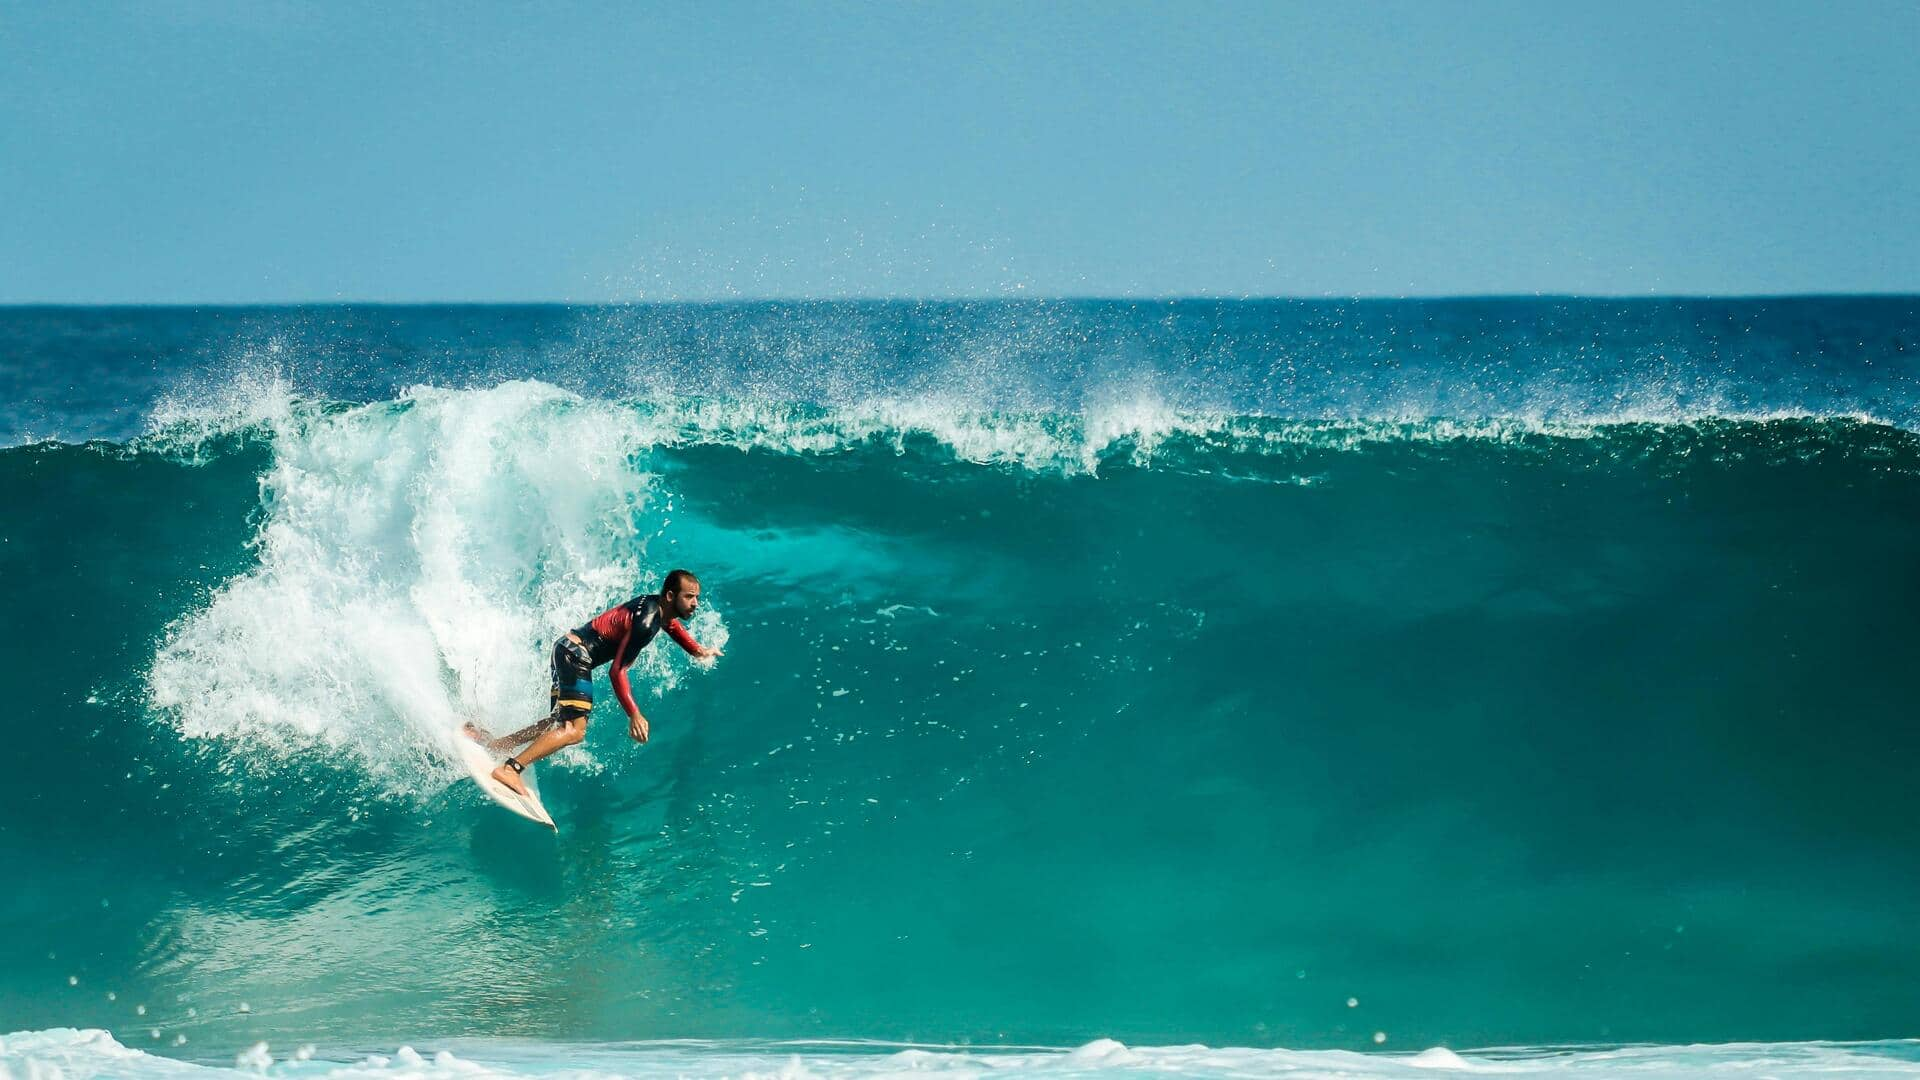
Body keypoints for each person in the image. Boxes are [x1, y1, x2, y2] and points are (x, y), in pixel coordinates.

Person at [465, 569, 721, 797]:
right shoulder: (646, 624)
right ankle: (511, 769)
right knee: (574, 730)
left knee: (558, 723)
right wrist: (634, 714)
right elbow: (617, 671)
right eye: (689, 596)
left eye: (696, 597)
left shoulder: (655, 608)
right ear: (669, 596)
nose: (695, 603)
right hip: (576, 656)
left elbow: (671, 625)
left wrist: (697, 650)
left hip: (565, 648)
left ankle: (498, 745)